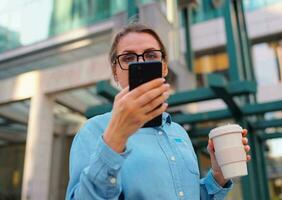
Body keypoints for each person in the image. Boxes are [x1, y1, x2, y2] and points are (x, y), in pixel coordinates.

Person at [65, 22, 251, 200]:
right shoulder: (93, 131)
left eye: (151, 55)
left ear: (163, 67)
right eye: (128, 58)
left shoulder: (178, 132)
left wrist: (218, 174)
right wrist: (115, 138)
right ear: (115, 71)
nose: (141, 63)